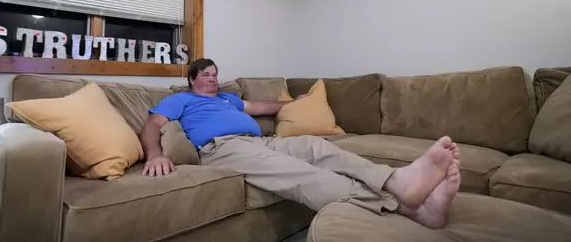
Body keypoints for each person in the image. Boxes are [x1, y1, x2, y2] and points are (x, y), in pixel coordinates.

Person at [141, 58, 461, 229]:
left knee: (315, 146)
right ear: (193, 79)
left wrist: (296, 101)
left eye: (215, 74)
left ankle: (397, 181)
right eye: (206, 75)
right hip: (224, 148)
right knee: (301, 173)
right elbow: (151, 126)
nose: (213, 78)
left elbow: (262, 107)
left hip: (262, 141)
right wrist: (154, 155)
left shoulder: (228, 98)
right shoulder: (180, 99)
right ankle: (406, 207)